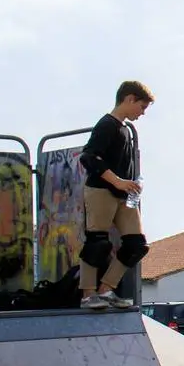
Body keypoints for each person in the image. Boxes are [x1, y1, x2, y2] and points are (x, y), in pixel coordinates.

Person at [77, 80, 154, 309]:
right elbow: (89, 157)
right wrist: (118, 182)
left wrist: (131, 184)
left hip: (124, 197)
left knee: (136, 244)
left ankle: (106, 290)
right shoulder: (107, 124)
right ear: (129, 99)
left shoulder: (125, 129)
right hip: (101, 191)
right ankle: (88, 294)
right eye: (141, 107)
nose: (141, 114)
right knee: (97, 242)